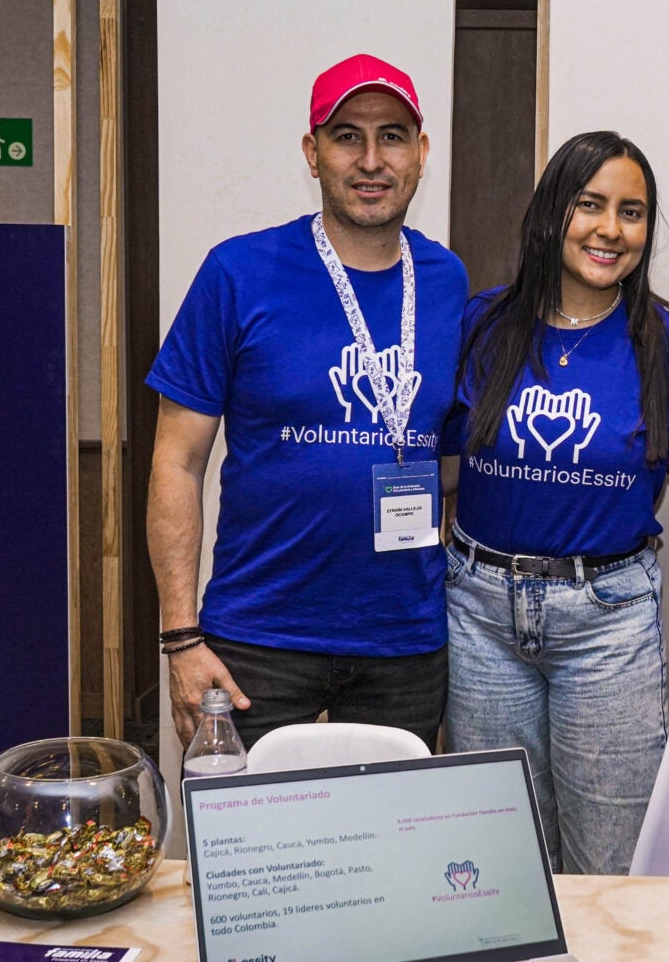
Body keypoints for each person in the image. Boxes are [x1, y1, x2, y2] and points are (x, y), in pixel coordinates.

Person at [146, 54, 468, 750]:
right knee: (242, 852)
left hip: (404, 642)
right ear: (312, 152)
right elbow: (177, 462)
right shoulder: (238, 272)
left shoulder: (447, 280)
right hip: (256, 638)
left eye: (393, 136)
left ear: (421, 152)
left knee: (391, 852)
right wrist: (179, 638)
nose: (372, 159)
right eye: (347, 135)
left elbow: (447, 457)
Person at [444, 131, 669, 873]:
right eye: (590, 205)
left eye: (632, 212)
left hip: (608, 623)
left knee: (613, 866)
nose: (610, 229)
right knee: (500, 863)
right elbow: (448, 468)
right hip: (480, 614)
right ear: (553, 212)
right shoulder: (485, 326)